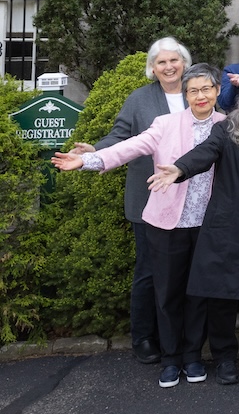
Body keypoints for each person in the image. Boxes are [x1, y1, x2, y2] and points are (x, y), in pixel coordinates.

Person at [52, 64, 225, 388]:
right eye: (193, 91)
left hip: (208, 226)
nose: (200, 96)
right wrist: (91, 159)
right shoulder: (165, 124)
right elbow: (130, 146)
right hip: (166, 224)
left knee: (199, 295)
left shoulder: (227, 125)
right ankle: (171, 359)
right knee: (168, 293)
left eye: (206, 89)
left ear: (217, 91)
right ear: (185, 95)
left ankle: (193, 356)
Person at [149, 77, 239, 386]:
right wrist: (179, 169)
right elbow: (205, 153)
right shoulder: (227, 130)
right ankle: (225, 356)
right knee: (223, 297)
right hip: (230, 228)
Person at [75, 37, 191, 365]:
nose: (169, 67)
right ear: (152, 68)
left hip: (192, 197)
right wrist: (96, 150)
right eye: (161, 62)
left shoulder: (195, 92)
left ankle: (182, 336)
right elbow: (121, 135)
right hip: (150, 196)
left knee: (186, 271)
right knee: (150, 271)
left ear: (184, 62)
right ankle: (144, 337)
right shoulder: (139, 99)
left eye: (174, 61)